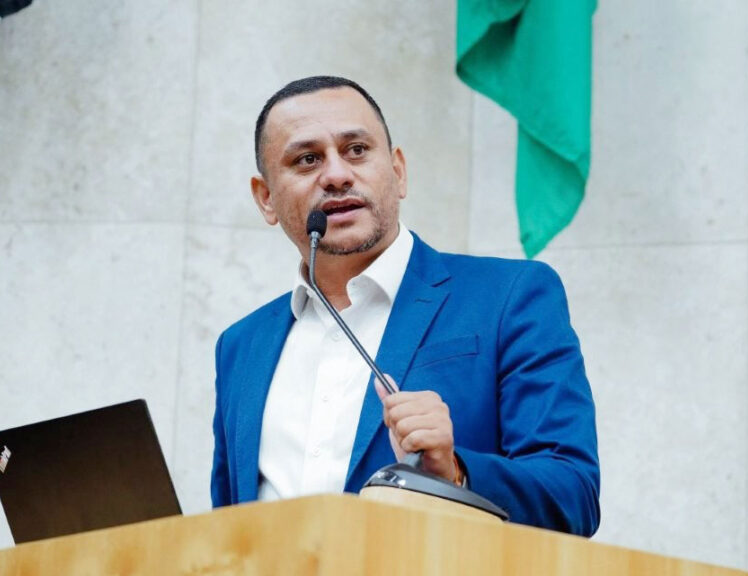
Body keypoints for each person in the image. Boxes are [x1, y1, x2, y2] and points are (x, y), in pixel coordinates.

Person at [210, 76, 600, 535]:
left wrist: (455, 473)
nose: (336, 175)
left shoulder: (510, 296)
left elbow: (573, 496)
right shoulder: (241, 346)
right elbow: (227, 532)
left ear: (398, 172)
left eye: (357, 150)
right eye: (307, 159)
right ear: (266, 199)